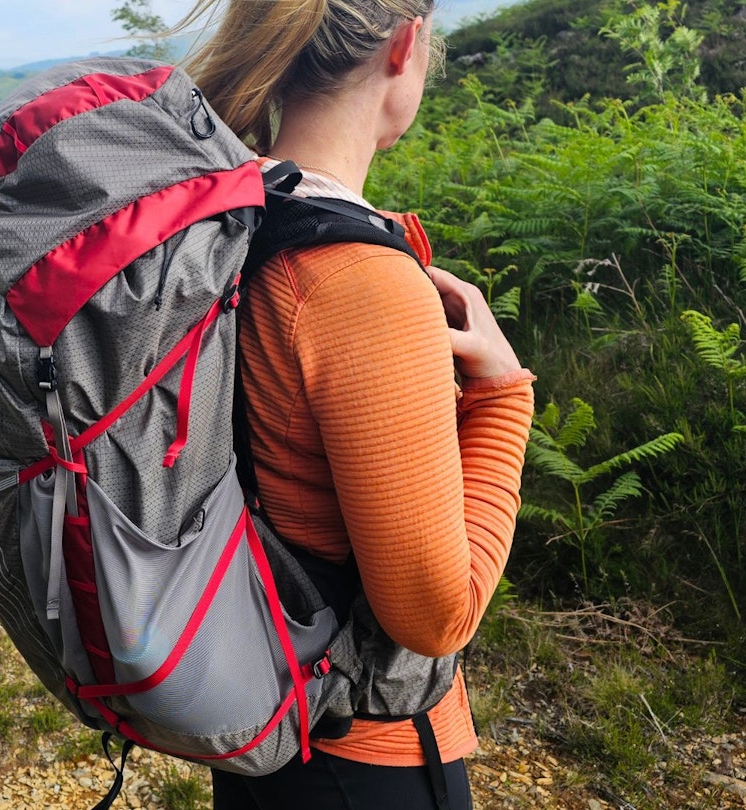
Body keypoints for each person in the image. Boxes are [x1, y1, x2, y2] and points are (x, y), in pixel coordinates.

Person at [171, 0, 538, 807]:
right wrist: (506, 397)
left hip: (264, 707)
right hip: (359, 754)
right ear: (405, 47)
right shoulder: (355, 280)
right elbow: (435, 617)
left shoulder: (234, 215)